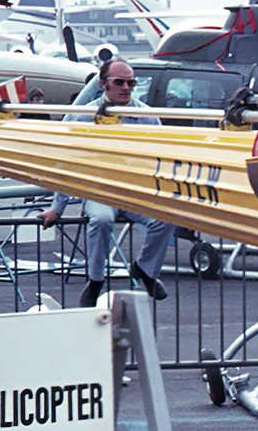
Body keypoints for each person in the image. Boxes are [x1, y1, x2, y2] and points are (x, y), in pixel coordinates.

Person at [38, 59, 173, 307]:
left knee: (167, 217)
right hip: (99, 192)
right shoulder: (83, 116)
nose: (126, 87)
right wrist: (58, 207)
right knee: (101, 221)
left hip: (134, 192)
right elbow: (66, 163)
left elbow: (160, 158)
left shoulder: (147, 116)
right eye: (119, 82)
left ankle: (146, 269)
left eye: (131, 82)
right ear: (103, 85)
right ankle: (96, 280)